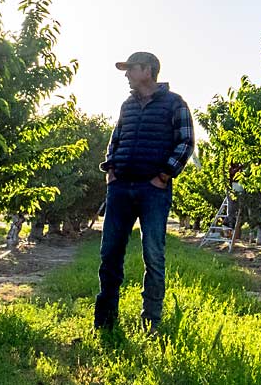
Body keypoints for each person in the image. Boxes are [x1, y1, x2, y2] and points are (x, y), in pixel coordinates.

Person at [94, 51, 194, 333]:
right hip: (120, 187)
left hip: (153, 191)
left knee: (153, 256)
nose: (126, 75)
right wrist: (111, 171)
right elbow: (115, 140)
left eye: (131, 69)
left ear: (147, 71)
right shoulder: (127, 105)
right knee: (109, 254)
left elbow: (186, 142)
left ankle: (151, 322)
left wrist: (164, 175)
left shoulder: (175, 104)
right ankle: (104, 321)